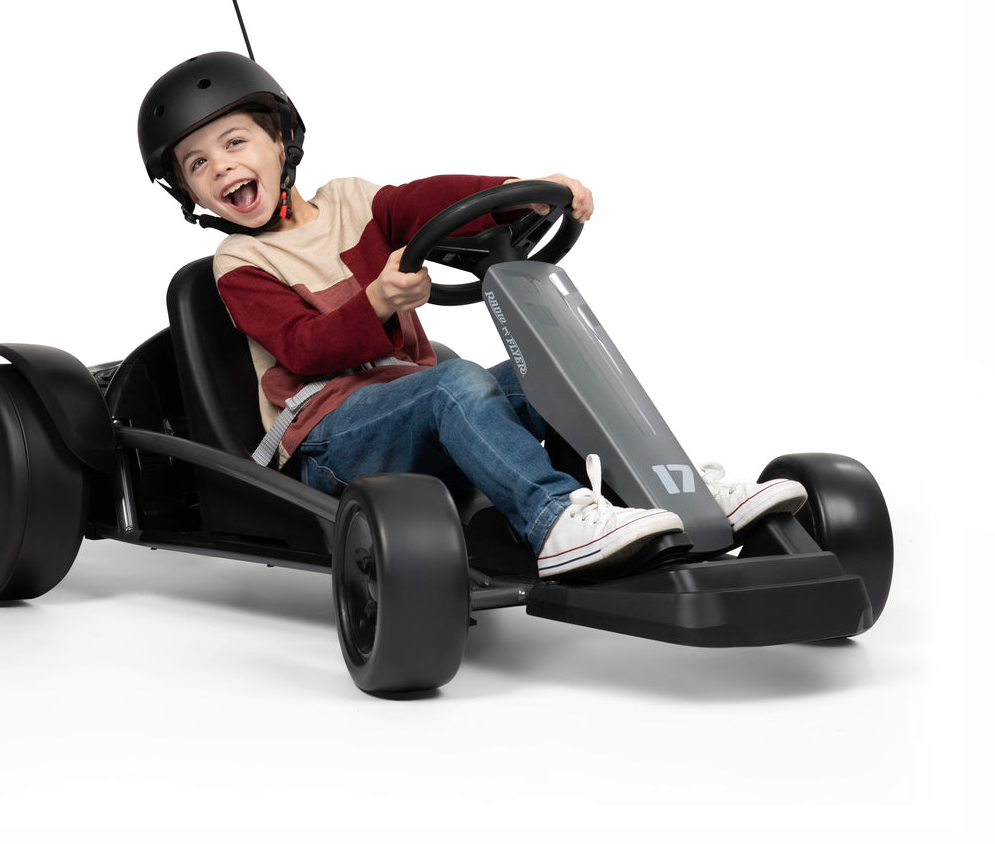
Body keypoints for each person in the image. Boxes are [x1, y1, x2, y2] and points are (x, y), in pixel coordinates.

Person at [137, 51, 806, 578]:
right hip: (330, 437)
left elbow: (427, 201)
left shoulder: (351, 203)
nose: (221, 167)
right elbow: (305, 347)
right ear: (188, 190)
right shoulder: (238, 266)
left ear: (281, 139)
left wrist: (515, 196)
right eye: (198, 164)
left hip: (403, 400)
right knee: (456, 385)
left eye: (234, 143)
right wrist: (372, 303)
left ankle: (673, 492)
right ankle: (552, 522)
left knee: (543, 372)